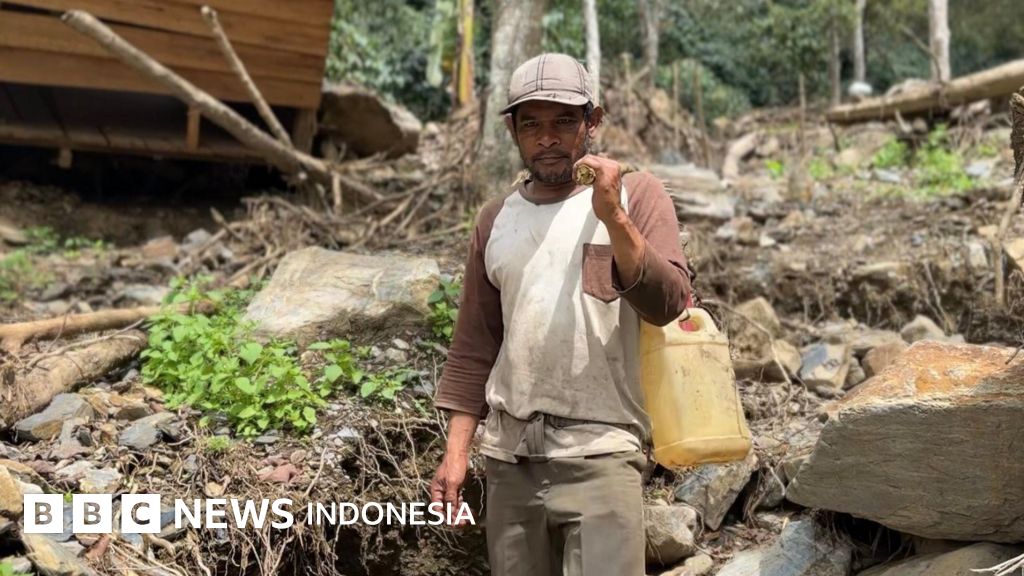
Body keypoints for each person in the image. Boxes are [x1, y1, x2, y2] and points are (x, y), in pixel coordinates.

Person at [430, 53, 693, 576]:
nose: (547, 138)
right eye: (531, 124)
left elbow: (669, 304)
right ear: (513, 131)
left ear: (593, 121)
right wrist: (456, 453)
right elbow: (475, 347)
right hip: (509, 461)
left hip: (602, 453)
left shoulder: (637, 195)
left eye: (564, 121)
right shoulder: (496, 219)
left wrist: (613, 217)